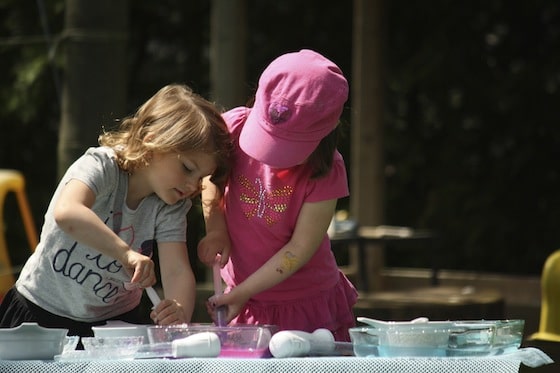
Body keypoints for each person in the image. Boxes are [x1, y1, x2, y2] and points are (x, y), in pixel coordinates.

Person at [0, 84, 231, 337]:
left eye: (201, 178)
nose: (192, 186)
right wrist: (126, 254)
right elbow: (68, 212)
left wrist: (178, 310)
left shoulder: (172, 206)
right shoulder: (101, 166)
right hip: (39, 312)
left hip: (114, 328)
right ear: (152, 139)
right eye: (187, 168)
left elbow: (176, 270)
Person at [197, 49, 358, 341]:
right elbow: (211, 179)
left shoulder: (326, 170)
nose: (272, 157)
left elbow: (299, 248)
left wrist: (244, 292)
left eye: (288, 147)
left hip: (306, 303)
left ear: (330, 127)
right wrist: (216, 228)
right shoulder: (232, 126)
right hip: (244, 298)